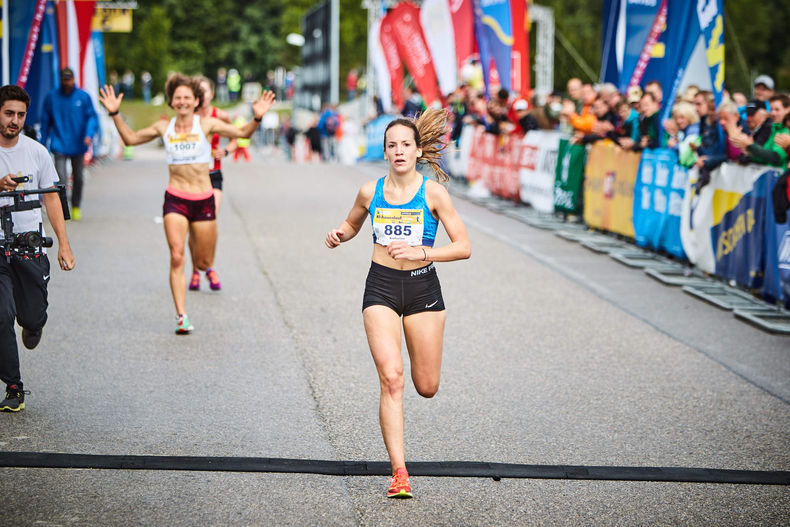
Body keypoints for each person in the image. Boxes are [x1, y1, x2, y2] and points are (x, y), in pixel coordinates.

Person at [325, 108, 471, 498]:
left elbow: (464, 247)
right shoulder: (369, 191)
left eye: (406, 144)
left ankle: (402, 464)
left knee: (426, 386)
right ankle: (400, 472)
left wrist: (423, 252)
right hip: (382, 288)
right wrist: (341, 233)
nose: (399, 151)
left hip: (423, 290)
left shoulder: (434, 193)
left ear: (419, 150)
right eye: (392, 145)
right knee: (392, 378)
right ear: (385, 152)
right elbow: (354, 223)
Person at [98, 74, 275, 334]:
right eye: (177, 97)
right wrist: (115, 113)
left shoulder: (207, 124)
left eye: (187, 98)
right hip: (176, 199)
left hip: (203, 199)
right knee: (177, 256)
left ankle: (202, 269)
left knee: (202, 261)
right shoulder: (164, 128)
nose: (182, 102)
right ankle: (181, 315)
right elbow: (132, 139)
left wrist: (257, 117)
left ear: (195, 101)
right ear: (171, 102)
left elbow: (242, 133)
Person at [0, 85, 75, 412]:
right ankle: (14, 387)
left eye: (20, 115)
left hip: (28, 246)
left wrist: (64, 244)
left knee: (30, 316)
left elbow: (52, 198)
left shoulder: (37, 152)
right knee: (2, 315)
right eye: (8, 114)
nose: (14, 121)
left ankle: (34, 324)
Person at [188, 76, 233, 292]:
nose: (202, 95)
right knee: (194, 228)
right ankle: (196, 270)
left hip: (214, 174)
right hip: (193, 176)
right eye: (199, 91)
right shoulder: (189, 117)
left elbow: (236, 137)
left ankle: (210, 266)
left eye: (205, 91)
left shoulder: (220, 115)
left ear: (212, 94)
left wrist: (227, 150)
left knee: (211, 220)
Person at [40, 67, 99, 221]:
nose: (67, 82)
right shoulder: (52, 97)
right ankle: (62, 208)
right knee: (61, 180)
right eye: (64, 80)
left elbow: (92, 118)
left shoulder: (83, 97)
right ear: (60, 80)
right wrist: (42, 144)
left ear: (74, 79)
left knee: (78, 177)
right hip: (59, 143)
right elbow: (45, 122)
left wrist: (89, 134)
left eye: (69, 79)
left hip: (78, 144)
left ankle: (76, 206)